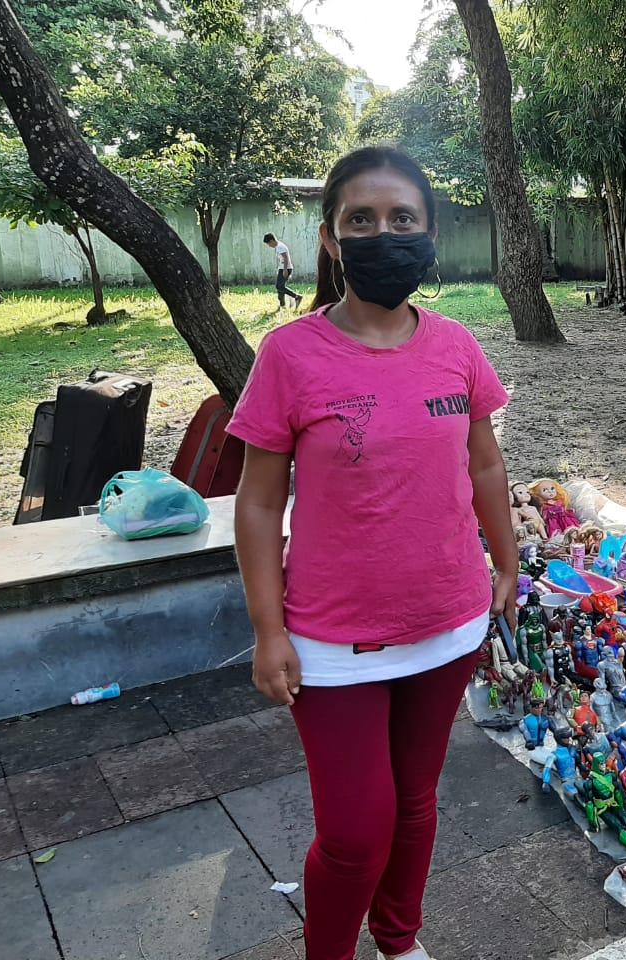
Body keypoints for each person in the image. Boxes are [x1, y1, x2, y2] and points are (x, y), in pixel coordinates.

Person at [230, 146, 517, 960]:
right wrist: (268, 629)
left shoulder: (457, 346)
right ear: (329, 239)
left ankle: (399, 940)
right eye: (362, 220)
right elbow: (256, 500)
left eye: (402, 220)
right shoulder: (290, 355)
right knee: (356, 833)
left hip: (448, 619)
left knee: (417, 802)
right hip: (332, 639)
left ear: (430, 237)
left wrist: (507, 561)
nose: (382, 235)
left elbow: (485, 461)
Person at [263, 232, 303, 310]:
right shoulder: (278, 246)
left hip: (286, 268)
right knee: (280, 287)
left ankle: (296, 297)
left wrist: (285, 270)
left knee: (279, 286)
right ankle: (282, 305)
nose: (269, 246)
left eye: (268, 244)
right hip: (283, 268)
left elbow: (285, 258)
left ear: (271, 240)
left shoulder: (280, 247)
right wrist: (280, 269)